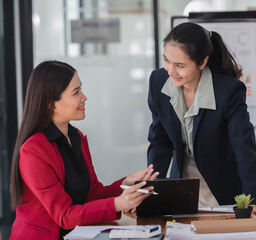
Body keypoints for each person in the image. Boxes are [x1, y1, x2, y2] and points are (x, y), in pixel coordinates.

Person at [9, 60, 159, 239]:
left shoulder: (76, 137)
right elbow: (64, 216)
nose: (84, 97)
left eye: (81, 89)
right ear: (51, 104)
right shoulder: (33, 151)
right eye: (76, 92)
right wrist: (118, 203)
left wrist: (125, 184)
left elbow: (91, 194)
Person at [147, 22, 256, 224]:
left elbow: (244, 146)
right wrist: (150, 192)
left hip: (222, 186)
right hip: (183, 185)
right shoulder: (158, 82)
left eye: (180, 65)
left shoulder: (228, 90)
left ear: (202, 62)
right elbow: (159, 142)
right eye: (166, 60)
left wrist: (255, 200)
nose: (171, 71)